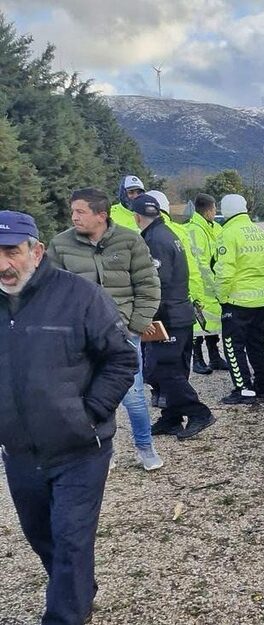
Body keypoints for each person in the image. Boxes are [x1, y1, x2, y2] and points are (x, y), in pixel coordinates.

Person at [0, 210, 137, 625]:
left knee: (71, 540)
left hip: (80, 448)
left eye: (11, 252)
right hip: (20, 452)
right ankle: (79, 587)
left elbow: (121, 358)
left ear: (36, 251)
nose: (3, 265)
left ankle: (65, 613)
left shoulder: (79, 296)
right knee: (41, 537)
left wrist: (90, 413)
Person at [48, 187, 165, 471]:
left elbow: (148, 286)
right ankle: (100, 450)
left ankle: (145, 447)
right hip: (80, 338)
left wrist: (135, 327)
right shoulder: (60, 245)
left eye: (80, 211)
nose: (73, 216)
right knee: (88, 395)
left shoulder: (130, 241)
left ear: (101, 215)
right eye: (72, 211)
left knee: (134, 396)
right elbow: (49, 291)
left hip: (123, 333)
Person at [131, 193, 216, 440]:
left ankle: (199, 412)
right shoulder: (167, 234)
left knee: (161, 370)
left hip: (167, 316)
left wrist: (145, 316)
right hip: (180, 313)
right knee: (175, 369)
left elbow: (157, 282)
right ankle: (171, 418)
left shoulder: (154, 240)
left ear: (137, 217)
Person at [216, 194, 264, 404]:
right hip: (260, 301)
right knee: (257, 345)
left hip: (236, 301)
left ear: (225, 211)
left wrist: (222, 297)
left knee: (233, 346)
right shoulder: (261, 234)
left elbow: (225, 271)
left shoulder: (228, 234)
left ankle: (243, 389)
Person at [171, 194, 228, 374]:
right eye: (214, 209)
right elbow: (199, 261)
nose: (215, 212)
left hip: (213, 285)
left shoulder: (214, 227)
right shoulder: (194, 230)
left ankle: (214, 357)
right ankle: (197, 359)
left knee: (213, 323)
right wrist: (212, 282)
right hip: (201, 285)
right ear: (209, 209)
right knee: (198, 324)